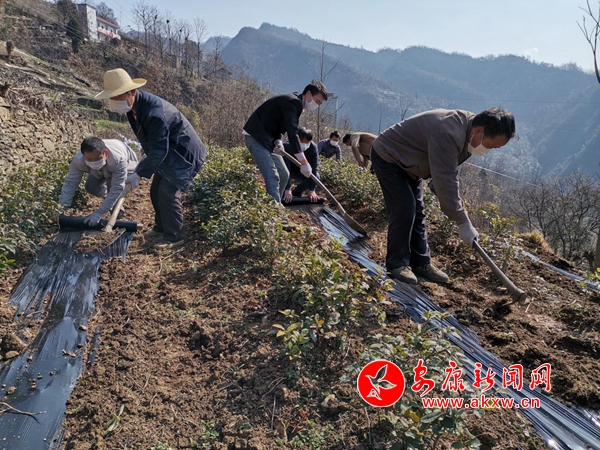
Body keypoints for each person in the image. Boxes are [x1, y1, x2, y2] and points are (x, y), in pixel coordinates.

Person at [371, 107, 516, 284]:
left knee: (418, 213)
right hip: (389, 156)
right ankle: (397, 264)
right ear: (479, 131)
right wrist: (463, 221)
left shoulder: (469, 134)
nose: (488, 150)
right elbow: (445, 180)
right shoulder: (448, 132)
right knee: (404, 209)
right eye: (490, 145)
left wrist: (452, 204)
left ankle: (421, 263)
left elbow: (443, 174)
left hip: (412, 164)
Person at [95, 68, 207, 250]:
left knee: (167, 192)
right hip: (168, 151)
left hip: (183, 153)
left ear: (131, 92)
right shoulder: (133, 108)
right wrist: (143, 165)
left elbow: (159, 149)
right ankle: (161, 227)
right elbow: (152, 142)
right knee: (155, 190)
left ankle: (174, 237)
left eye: (118, 97)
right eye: (112, 98)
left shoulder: (154, 113)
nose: (115, 102)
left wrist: (139, 172)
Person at [243, 82, 328, 203]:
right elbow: (293, 133)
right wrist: (303, 161)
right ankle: (273, 209)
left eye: (319, 104)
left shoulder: (296, 105)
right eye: (317, 101)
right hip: (256, 136)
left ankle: (277, 202)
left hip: (269, 141)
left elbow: (280, 127)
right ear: (309, 93)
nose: (317, 105)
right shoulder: (292, 102)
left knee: (283, 174)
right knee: (272, 175)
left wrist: (279, 141)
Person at [59, 137, 138, 226]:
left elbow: (117, 187)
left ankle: (116, 211)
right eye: (89, 160)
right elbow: (70, 184)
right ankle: (108, 198)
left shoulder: (118, 159)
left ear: (105, 153)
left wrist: (99, 212)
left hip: (128, 162)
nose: (94, 162)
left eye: (97, 158)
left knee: (112, 189)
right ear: (83, 156)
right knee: (91, 187)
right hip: (102, 168)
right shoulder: (78, 161)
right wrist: (62, 208)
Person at [282, 127, 320, 203]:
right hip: (289, 170)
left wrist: (312, 190)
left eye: (307, 142)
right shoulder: (287, 146)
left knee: (317, 176)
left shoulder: (313, 148)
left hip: (302, 171)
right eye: (302, 142)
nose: (305, 144)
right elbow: (285, 169)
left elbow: (314, 168)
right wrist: (287, 188)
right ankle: (282, 192)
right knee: (284, 193)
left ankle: (297, 191)